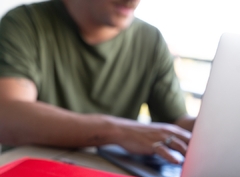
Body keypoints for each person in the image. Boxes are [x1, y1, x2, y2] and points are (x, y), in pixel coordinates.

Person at [0, 0, 195, 163]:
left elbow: (176, 125)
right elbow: (7, 116)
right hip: (30, 173)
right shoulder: (25, 24)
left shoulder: (151, 40)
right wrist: (118, 131)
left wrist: (217, 126)